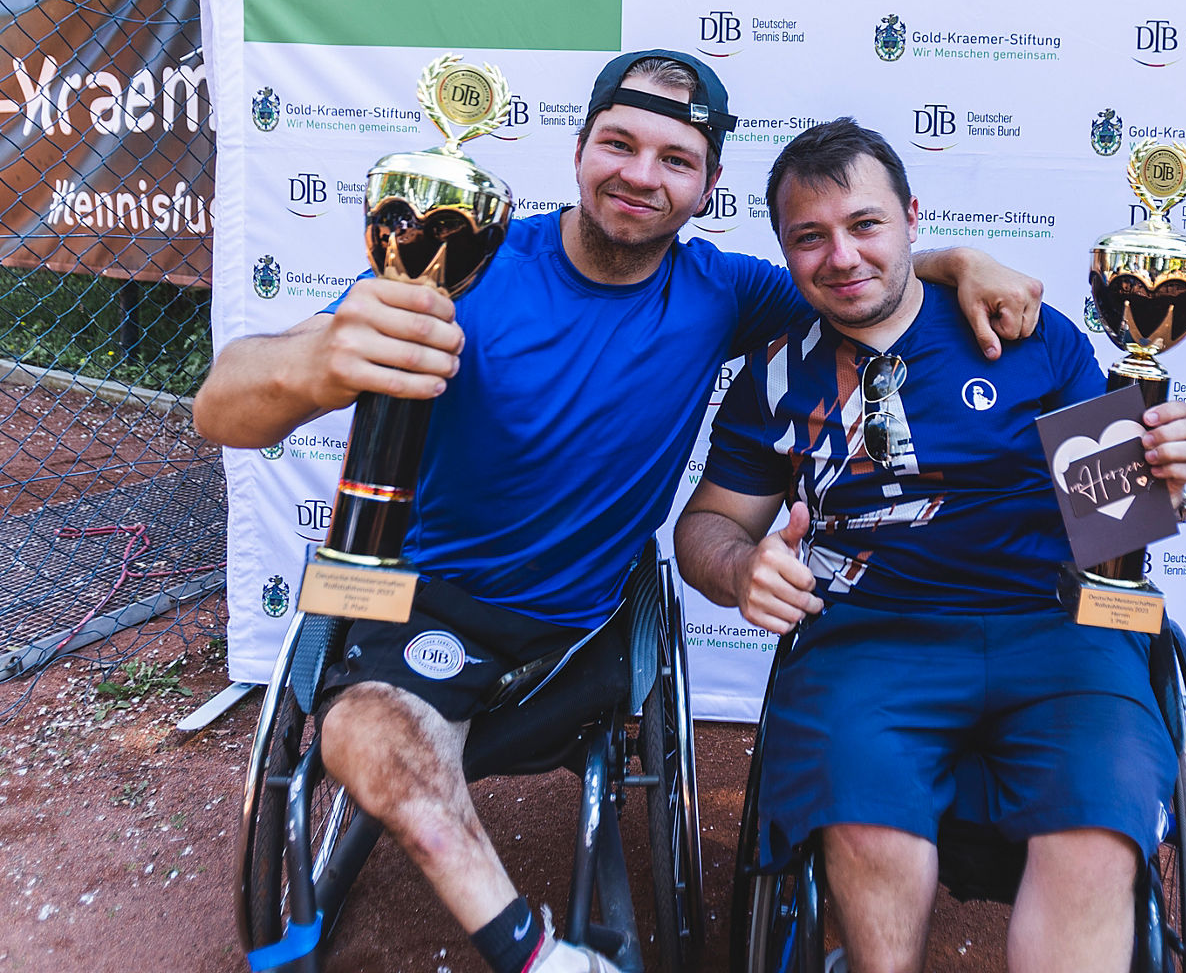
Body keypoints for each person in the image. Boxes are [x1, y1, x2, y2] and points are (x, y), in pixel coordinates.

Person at [194, 53, 1044, 973]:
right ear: (578, 150)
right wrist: (316, 360)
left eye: (676, 160)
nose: (643, 175)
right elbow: (221, 406)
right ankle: (538, 956)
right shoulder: (467, 265)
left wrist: (958, 259)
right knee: (364, 732)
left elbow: (853, 276)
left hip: (579, 634)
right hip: (422, 608)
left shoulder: (724, 293)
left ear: (707, 188)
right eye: (620, 144)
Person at [673, 118, 1186, 973]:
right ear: (784, 250)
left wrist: (1159, 479)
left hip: (1054, 632)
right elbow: (707, 526)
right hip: (871, 637)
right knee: (867, 822)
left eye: (865, 225)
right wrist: (742, 568)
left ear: (913, 220)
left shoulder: (1036, 337)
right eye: (810, 238)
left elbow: (1117, 526)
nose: (841, 256)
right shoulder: (775, 373)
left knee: (1096, 838)